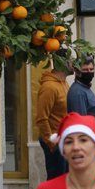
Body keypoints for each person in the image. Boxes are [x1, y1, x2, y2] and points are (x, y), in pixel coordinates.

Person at [35, 52, 71, 180]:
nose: (73, 64)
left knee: (65, 181)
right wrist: (51, 143)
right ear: (62, 63)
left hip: (64, 141)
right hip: (54, 143)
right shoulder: (49, 87)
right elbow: (41, 118)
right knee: (56, 181)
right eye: (70, 60)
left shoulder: (64, 83)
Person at [66, 56, 95, 136]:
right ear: (77, 71)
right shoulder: (78, 92)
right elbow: (80, 123)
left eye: (91, 69)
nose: (89, 72)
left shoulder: (85, 88)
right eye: (85, 70)